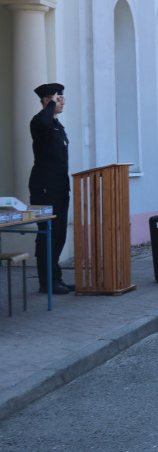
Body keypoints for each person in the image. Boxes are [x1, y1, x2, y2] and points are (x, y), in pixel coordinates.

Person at [28, 83, 72, 295]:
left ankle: (56, 279)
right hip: (44, 188)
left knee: (59, 234)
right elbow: (44, 122)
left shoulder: (57, 126)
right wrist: (50, 105)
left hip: (59, 188)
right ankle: (47, 282)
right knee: (47, 234)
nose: (62, 102)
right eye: (58, 98)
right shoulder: (40, 121)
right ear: (47, 100)